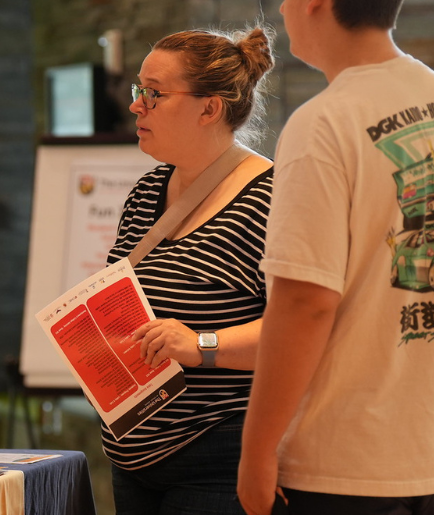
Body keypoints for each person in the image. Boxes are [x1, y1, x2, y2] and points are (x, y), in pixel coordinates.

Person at [237, 0, 434, 515]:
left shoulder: (323, 125)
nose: (281, 9)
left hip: (350, 464)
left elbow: (305, 302)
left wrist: (256, 450)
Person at [105, 26, 276, 515]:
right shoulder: (146, 192)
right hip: (132, 457)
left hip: (218, 458)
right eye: (139, 91)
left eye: (154, 95)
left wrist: (202, 345)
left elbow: (304, 331)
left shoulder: (270, 199)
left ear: (210, 108)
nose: (137, 106)